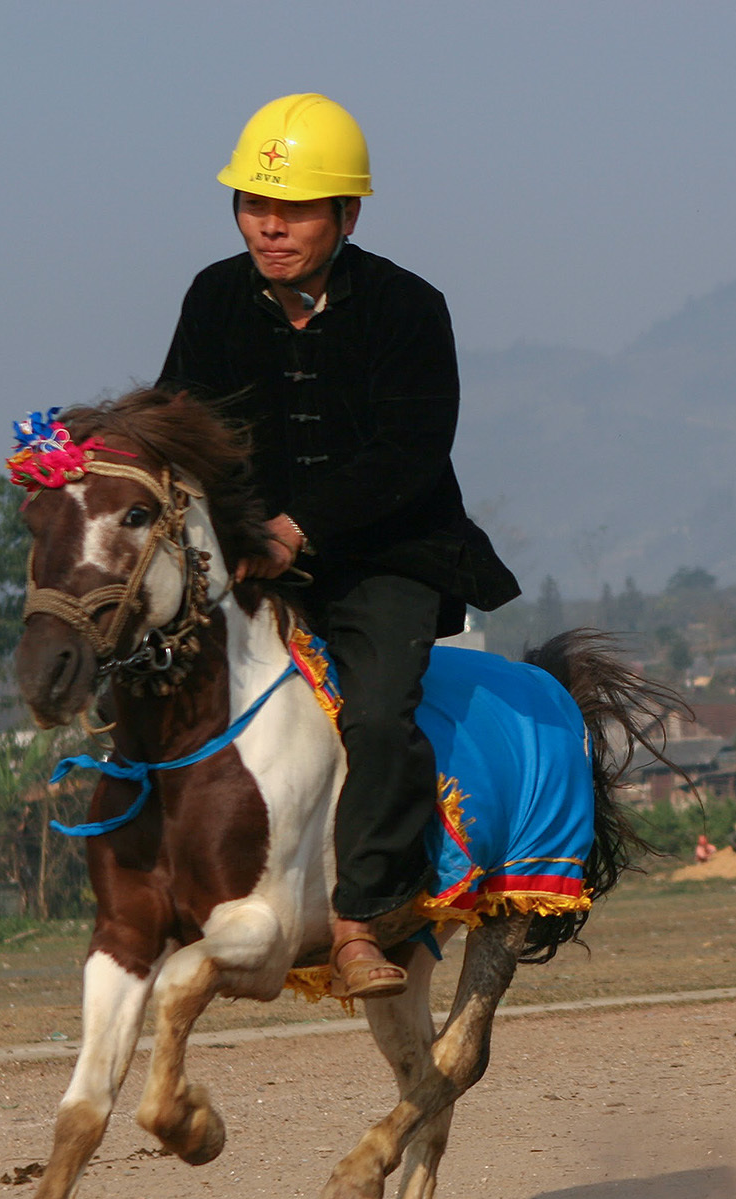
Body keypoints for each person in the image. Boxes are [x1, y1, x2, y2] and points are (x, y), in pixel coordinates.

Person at [158, 94, 519, 999]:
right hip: (252, 558)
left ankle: (362, 919)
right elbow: (178, 422)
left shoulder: (409, 308)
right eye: (253, 204)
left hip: (386, 558)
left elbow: (409, 452)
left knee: (378, 713)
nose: (269, 227)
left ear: (348, 215)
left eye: (294, 209)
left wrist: (298, 528)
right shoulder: (212, 297)